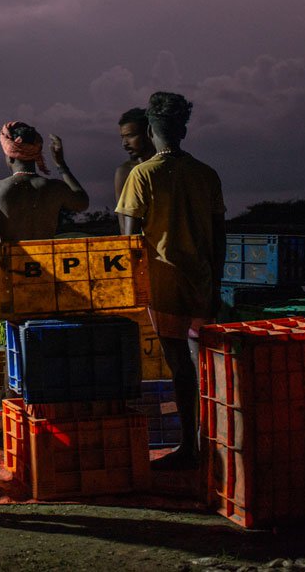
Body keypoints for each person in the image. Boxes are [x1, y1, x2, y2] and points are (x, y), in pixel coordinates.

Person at [115, 92, 225, 471]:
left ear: (149, 130)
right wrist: (217, 284)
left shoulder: (143, 174)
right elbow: (220, 236)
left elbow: (129, 241)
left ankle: (190, 447)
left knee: (180, 366)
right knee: (204, 365)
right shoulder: (206, 173)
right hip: (202, 282)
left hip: (164, 283)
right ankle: (209, 441)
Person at [0, 121, 89, 240]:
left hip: (12, 258)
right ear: (36, 155)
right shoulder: (55, 188)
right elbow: (82, 203)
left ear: (10, 157)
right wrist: (61, 164)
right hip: (47, 257)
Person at [114, 107, 156, 209]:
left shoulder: (169, 166)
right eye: (123, 137)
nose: (124, 143)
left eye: (130, 135)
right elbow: (123, 219)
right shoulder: (125, 172)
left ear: (148, 133)